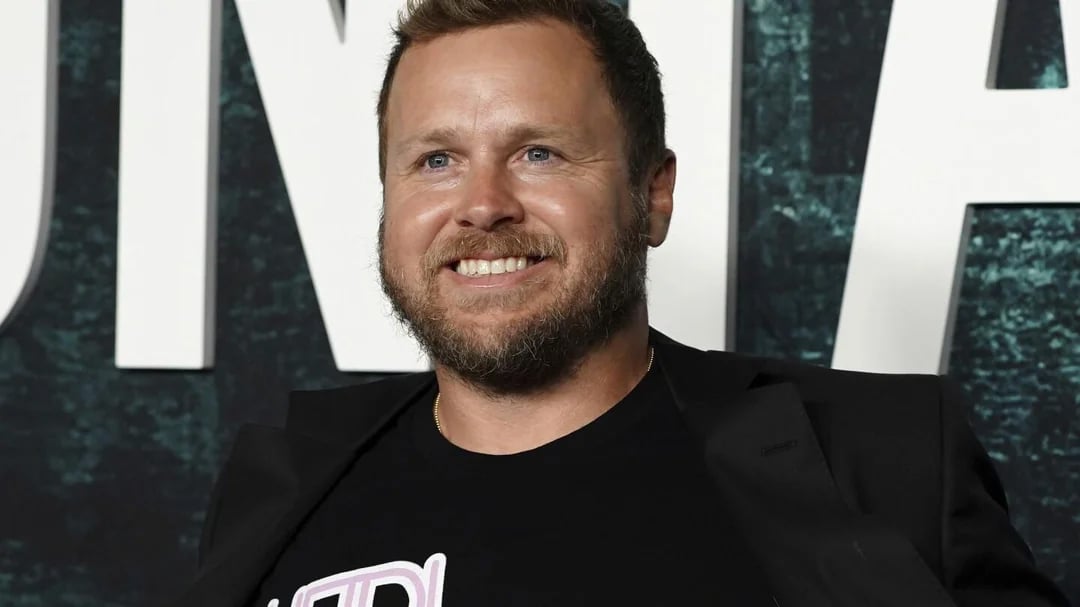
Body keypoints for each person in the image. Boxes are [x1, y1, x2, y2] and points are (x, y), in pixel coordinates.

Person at [169, 1, 1070, 605]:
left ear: (654, 194)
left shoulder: (880, 459)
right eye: (435, 159)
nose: (482, 203)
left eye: (540, 153)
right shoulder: (279, 481)